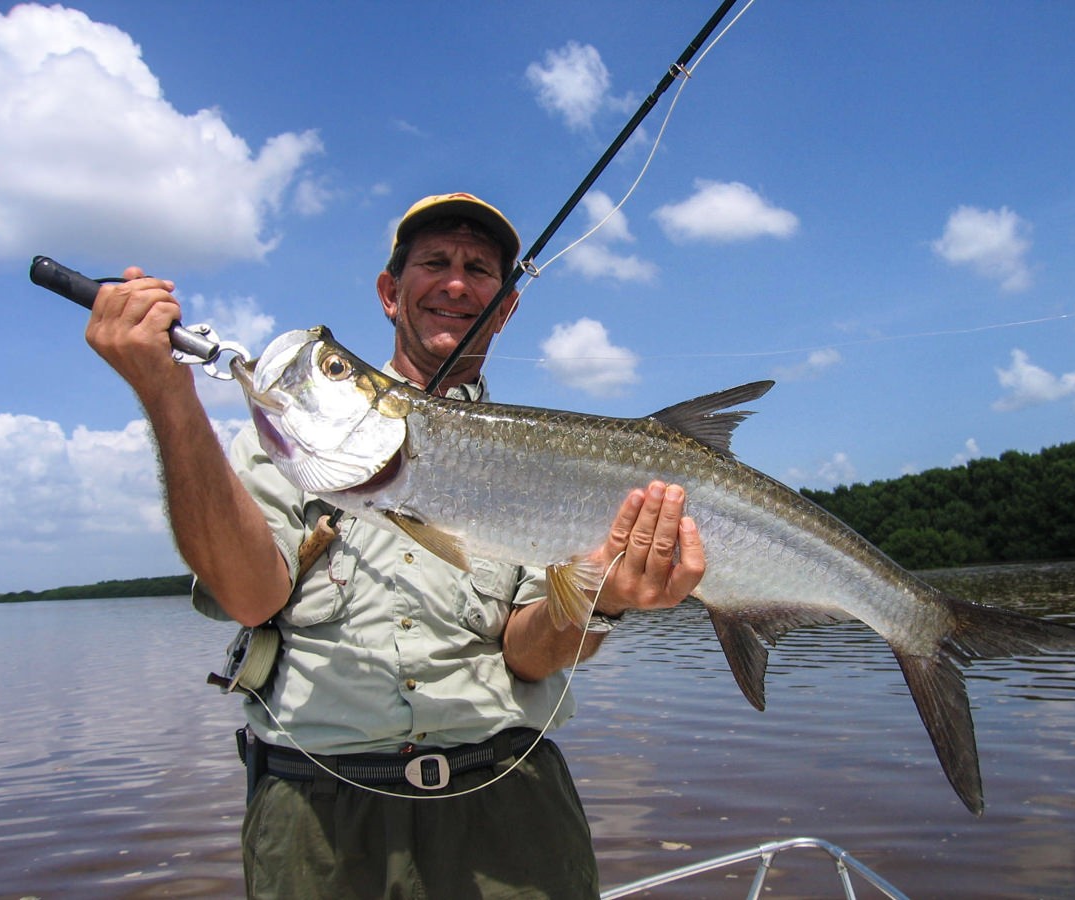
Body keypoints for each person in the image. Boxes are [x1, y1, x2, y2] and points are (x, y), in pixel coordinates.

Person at [85, 192, 706, 899]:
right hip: (315, 819)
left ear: (504, 308)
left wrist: (604, 597)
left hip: (510, 806)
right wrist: (170, 397)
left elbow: (528, 655)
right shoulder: (277, 446)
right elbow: (250, 595)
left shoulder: (548, 468)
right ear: (389, 292)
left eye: (480, 270)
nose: (455, 282)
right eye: (435, 261)